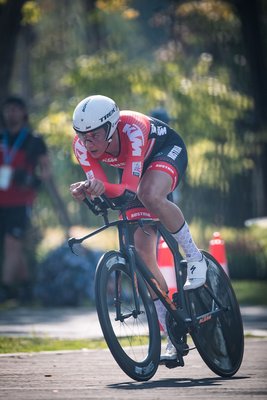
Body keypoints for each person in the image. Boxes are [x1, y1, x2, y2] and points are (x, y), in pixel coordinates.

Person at [69, 95, 207, 362]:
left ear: (111, 127)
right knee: (142, 257)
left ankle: (194, 257)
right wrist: (88, 188)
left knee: (150, 194)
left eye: (95, 135)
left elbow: (130, 190)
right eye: (82, 136)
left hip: (165, 150)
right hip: (135, 169)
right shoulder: (81, 146)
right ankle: (173, 336)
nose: (88, 142)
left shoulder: (131, 129)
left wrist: (97, 187)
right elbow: (102, 185)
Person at [0, 96, 51, 303]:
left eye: (15, 109)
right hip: (1, 200)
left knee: (12, 243)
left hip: (21, 202)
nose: (11, 113)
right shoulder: (2, 137)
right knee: (14, 247)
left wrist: (33, 180)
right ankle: (28, 288)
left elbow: (47, 172)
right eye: (8, 109)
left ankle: (4, 290)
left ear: (23, 113)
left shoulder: (34, 141)